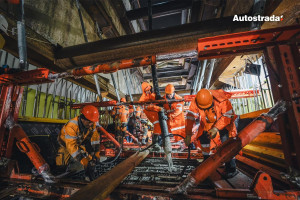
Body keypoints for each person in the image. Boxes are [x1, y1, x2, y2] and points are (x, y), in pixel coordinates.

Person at [185, 89, 238, 178]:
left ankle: (231, 168)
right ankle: (206, 161)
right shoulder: (196, 101)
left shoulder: (222, 100)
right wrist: (188, 134)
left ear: (212, 101)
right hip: (207, 124)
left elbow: (227, 117)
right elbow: (190, 118)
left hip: (225, 124)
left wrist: (216, 128)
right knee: (203, 138)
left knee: (227, 144)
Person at [56, 105, 100, 178]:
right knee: (61, 165)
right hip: (66, 145)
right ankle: (61, 177)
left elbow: (95, 139)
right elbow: (72, 147)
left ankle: (88, 176)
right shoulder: (71, 126)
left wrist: (96, 153)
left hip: (79, 142)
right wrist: (83, 160)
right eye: (89, 122)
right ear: (83, 119)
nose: (91, 124)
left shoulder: (91, 123)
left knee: (90, 160)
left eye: (92, 122)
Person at [139, 82, 164, 151]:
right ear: (144, 90)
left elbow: (157, 101)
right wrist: (157, 108)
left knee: (161, 125)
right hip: (150, 113)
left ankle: (159, 142)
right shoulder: (143, 98)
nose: (148, 91)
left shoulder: (153, 94)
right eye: (146, 90)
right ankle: (155, 143)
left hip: (155, 112)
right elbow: (147, 107)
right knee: (157, 125)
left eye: (149, 89)